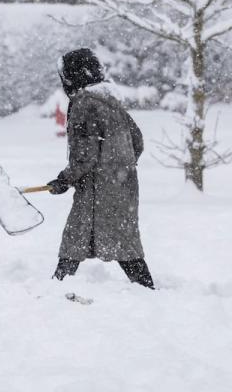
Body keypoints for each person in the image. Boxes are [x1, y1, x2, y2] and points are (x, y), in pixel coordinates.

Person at [47, 48, 154, 289]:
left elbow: (84, 155)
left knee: (76, 236)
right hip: (122, 186)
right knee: (123, 240)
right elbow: (137, 141)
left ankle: (57, 285)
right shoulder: (112, 102)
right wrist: (119, 168)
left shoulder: (84, 104)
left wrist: (65, 179)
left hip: (98, 191)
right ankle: (146, 288)